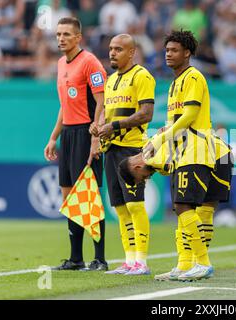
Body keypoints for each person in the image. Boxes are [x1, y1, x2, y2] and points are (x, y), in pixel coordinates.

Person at [145, 30, 232, 281]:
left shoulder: (193, 77)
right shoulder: (174, 84)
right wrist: (164, 143)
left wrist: (159, 139)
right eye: (167, 50)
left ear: (188, 53)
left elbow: (190, 117)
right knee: (182, 207)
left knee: (184, 206)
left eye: (174, 50)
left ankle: (201, 262)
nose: (168, 55)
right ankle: (184, 264)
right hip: (182, 153)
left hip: (196, 150)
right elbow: (174, 122)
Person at [121, 128, 233, 281]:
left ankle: (197, 264)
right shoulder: (152, 151)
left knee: (195, 210)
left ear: (137, 168)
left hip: (217, 154)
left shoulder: (155, 158)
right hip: (210, 153)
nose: (147, 179)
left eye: (142, 178)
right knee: (186, 211)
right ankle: (187, 265)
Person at [44, 17, 107, 271]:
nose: (61, 38)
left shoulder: (90, 62)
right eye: (59, 34)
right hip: (69, 134)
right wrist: (53, 137)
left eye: (67, 34)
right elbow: (64, 105)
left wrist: (95, 137)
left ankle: (100, 258)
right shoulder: (61, 63)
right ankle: (76, 258)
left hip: (86, 132)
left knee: (89, 195)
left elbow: (101, 102)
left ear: (78, 37)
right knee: (69, 196)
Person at [90, 34, 155, 276]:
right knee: (119, 207)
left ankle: (142, 262)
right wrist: (97, 127)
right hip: (111, 148)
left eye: (118, 49)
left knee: (135, 205)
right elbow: (106, 112)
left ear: (131, 52)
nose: (112, 53)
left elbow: (146, 113)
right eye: (110, 49)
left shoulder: (142, 76)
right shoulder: (110, 80)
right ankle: (129, 260)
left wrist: (114, 127)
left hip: (133, 149)